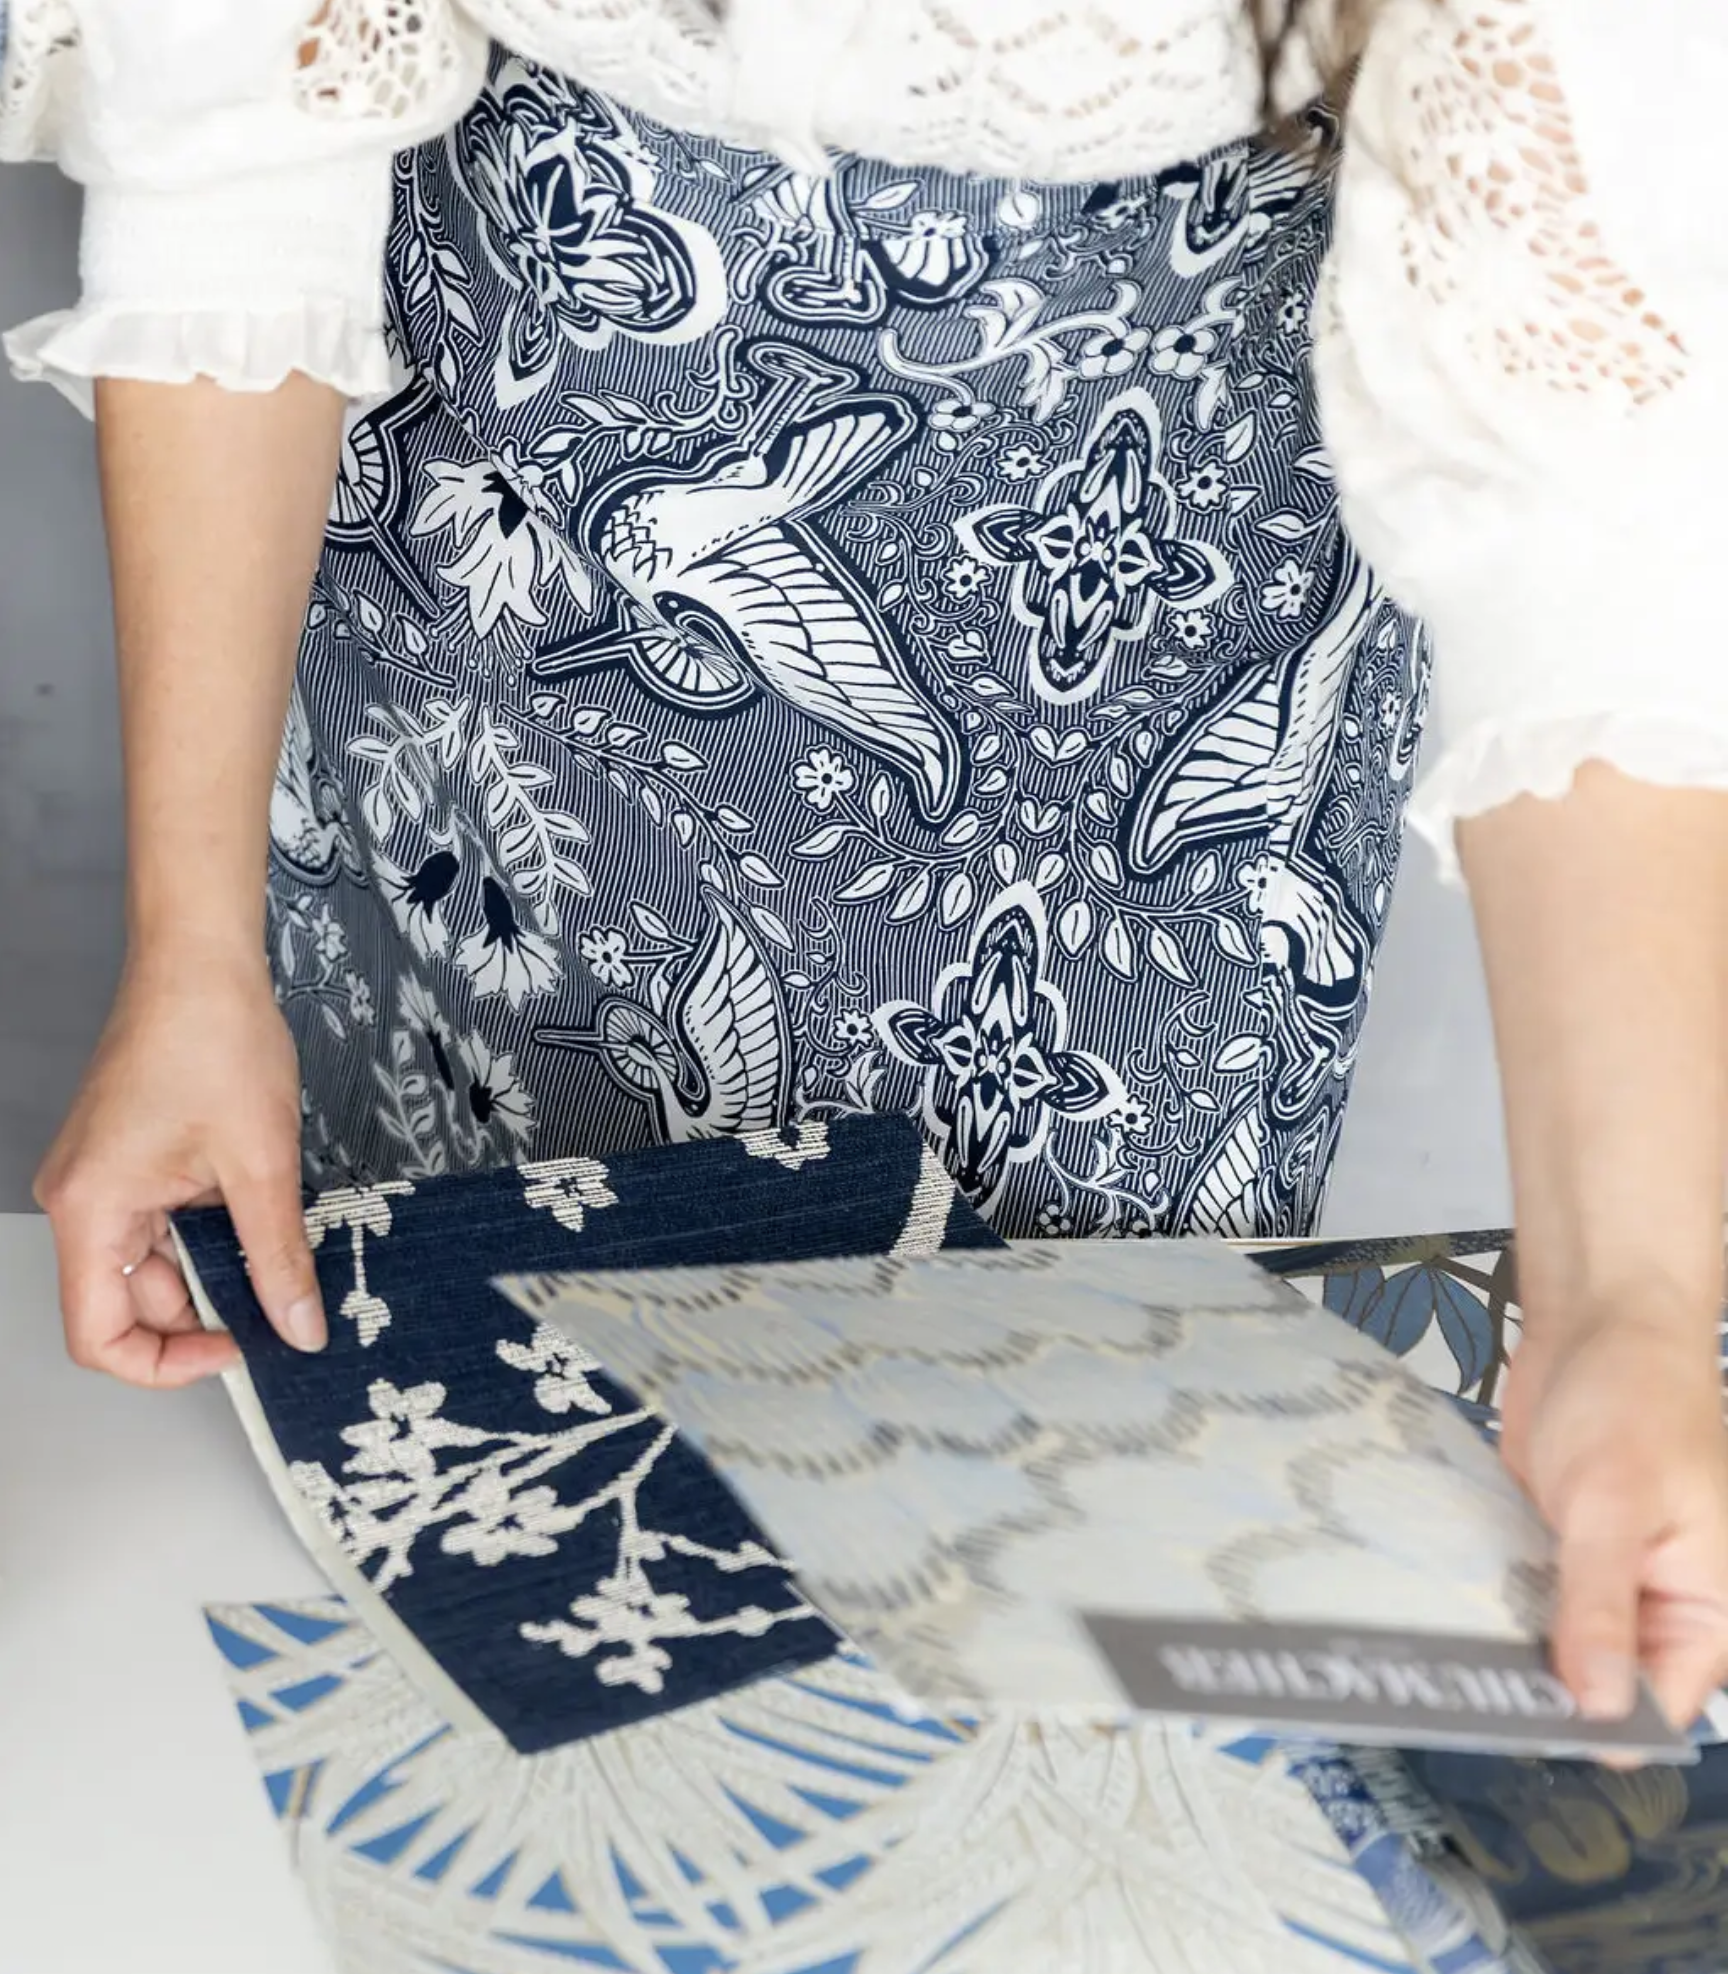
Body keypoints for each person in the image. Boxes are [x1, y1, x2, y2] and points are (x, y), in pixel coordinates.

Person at [3, 0, 1726, 1734]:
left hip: (1115, 651)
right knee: (506, 1536)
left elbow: (1595, 474)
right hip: (507, 567)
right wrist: (194, 948)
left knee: (1061, 1574)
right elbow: (237, 127)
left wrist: (1625, 1299)